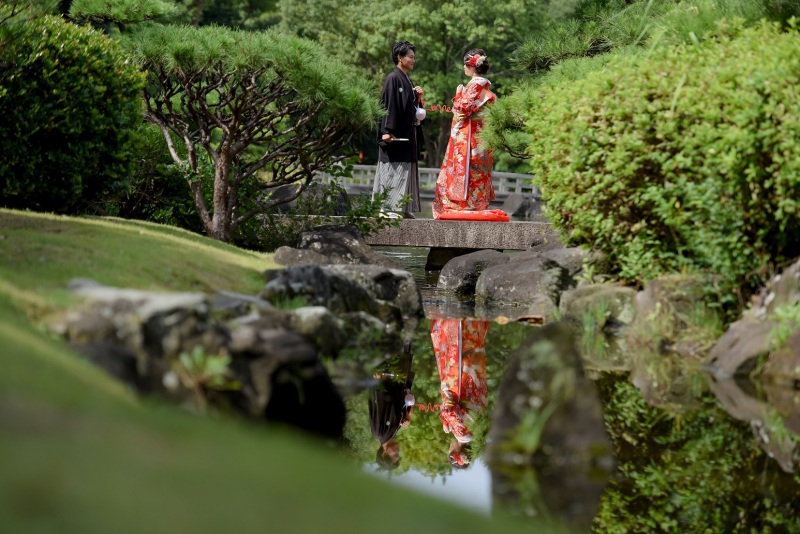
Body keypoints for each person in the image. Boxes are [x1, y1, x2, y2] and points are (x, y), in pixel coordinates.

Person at [432, 49, 498, 219]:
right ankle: (477, 203)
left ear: (471, 67)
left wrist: (458, 93)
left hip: (470, 137)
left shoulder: (475, 85)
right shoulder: (485, 87)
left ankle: (464, 205)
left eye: (465, 65)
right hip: (482, 135)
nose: (463, 68)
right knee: (479, 169)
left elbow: (462, 108)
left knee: (469, 169)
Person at [372, 40, 425, 219]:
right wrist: (386, 130)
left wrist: (418, 98)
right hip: (395, 135)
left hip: (407, 134)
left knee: (405, 171)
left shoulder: (407, 80)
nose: (413, 60)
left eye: (413, 57)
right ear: (400, 58)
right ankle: (387, 208)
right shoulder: (393, 78)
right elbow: (389, 105)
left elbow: (410, 108)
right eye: (410, 57)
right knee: (393, 170)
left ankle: (401, 207)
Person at [430, 318, 490, 469]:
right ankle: (454, 320)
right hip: (459, 381)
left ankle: (473, 321)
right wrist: (445, 422)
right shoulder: (461, 434)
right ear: (455, 453)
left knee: (473, 345)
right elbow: (449, 410)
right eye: (449, 452)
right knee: (455, 348)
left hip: (475, 378)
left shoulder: (479, 430)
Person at [369, 347, 415, 470]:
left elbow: (377, 404)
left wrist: (377, 383)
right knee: (406, 341)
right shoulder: (392, 432)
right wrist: (406, 416)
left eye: (395, 455)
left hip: (388, 375)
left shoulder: (379, 432)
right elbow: (400, 405)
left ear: (384, 453)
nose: (398, 452)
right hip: (399, 378)